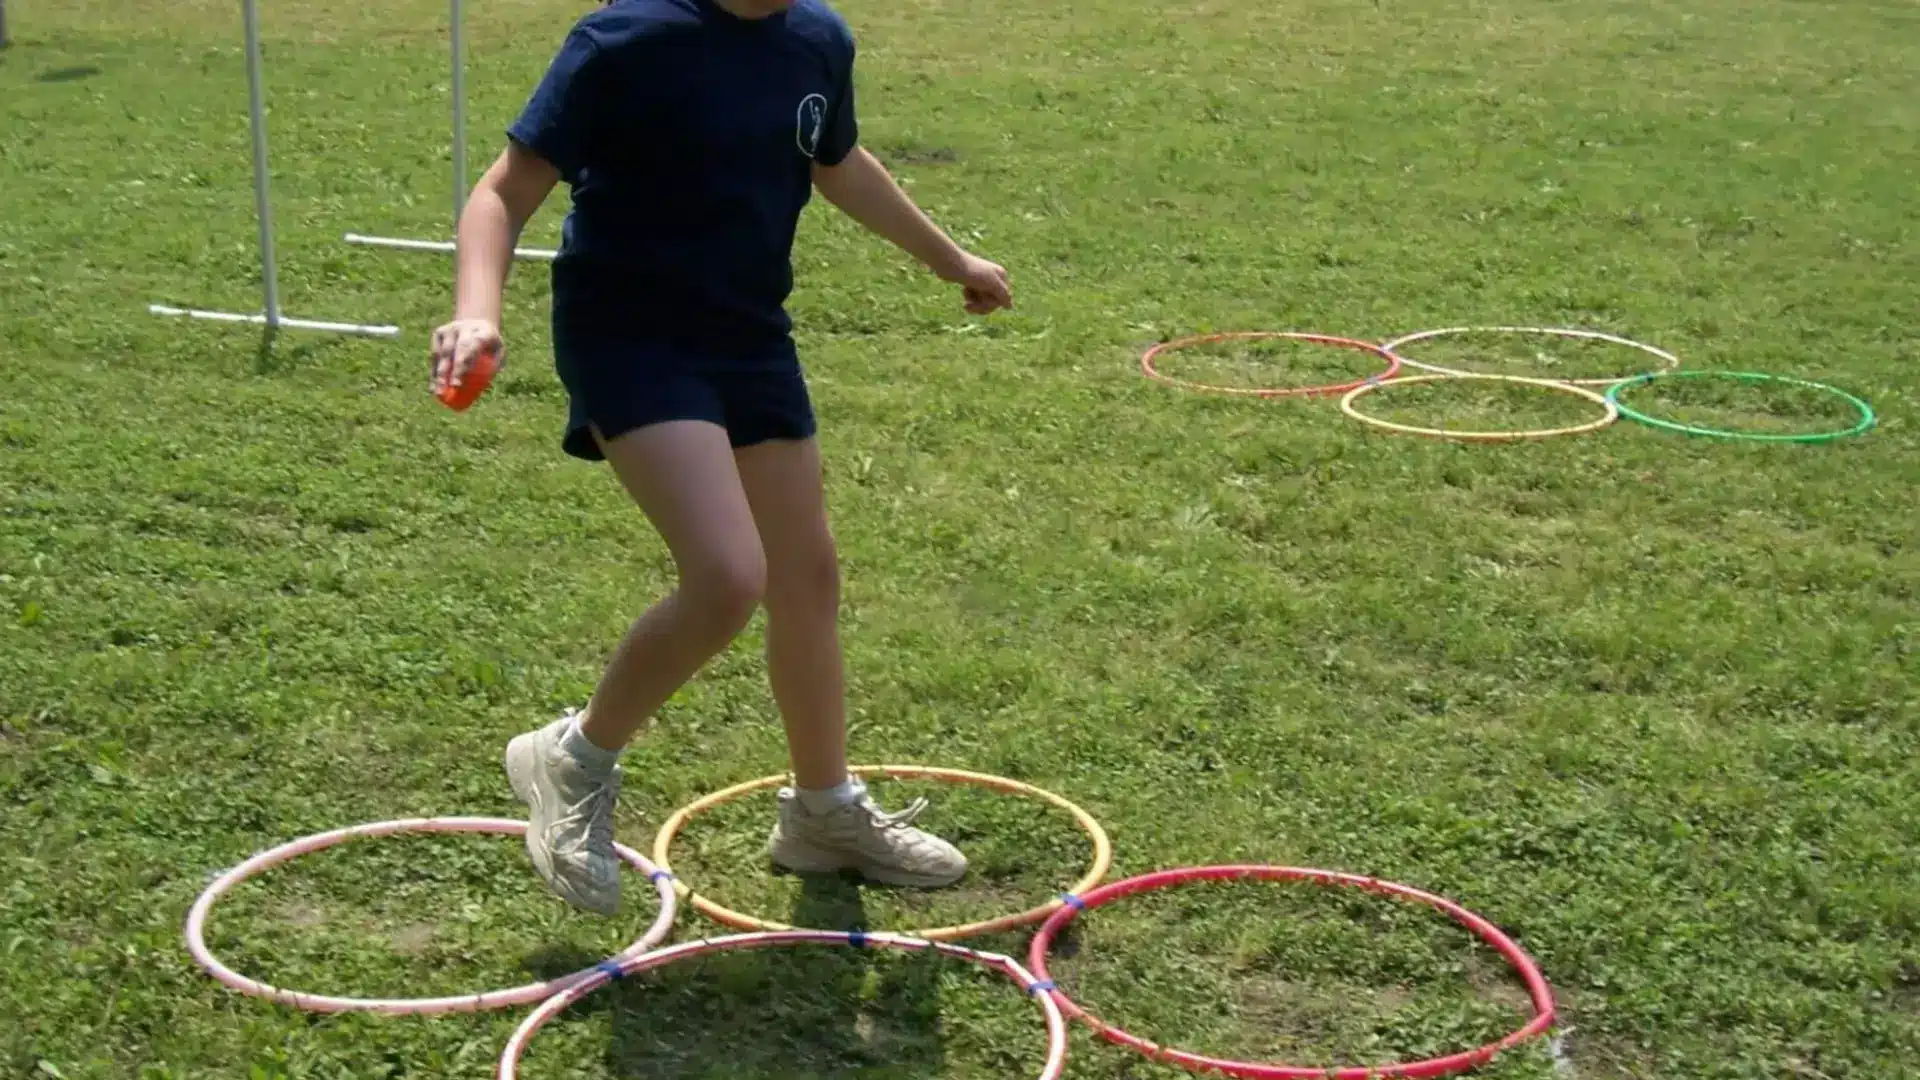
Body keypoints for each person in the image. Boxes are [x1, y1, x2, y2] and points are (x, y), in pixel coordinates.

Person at [427, 0, 1013, 916]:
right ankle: (571, 757)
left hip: (747, 332)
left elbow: (835, 159)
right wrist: (477, 311)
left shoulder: (817, 39)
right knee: (729, 575)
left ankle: (822, 813)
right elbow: (505, 189)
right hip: (630, 333)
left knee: (805, 576)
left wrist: (950, 258)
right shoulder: (624, 40)